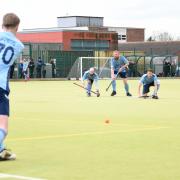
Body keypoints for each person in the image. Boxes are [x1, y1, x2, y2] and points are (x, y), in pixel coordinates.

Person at [0, 13, 24, 160]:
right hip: (0, 86)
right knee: (3, 126)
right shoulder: (19, 45)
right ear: (17, 26)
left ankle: (1, 150)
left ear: (2, 24)